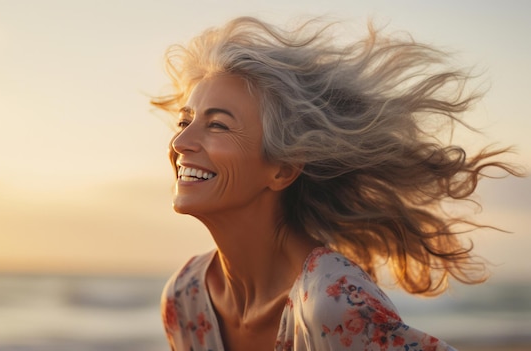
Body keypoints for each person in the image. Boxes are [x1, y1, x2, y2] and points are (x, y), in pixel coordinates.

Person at [150, 16, 522, 351]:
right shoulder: (186, 298)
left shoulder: (334, 304)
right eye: (185, 122)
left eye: (217, 125)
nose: (180, 142)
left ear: (282, 168)